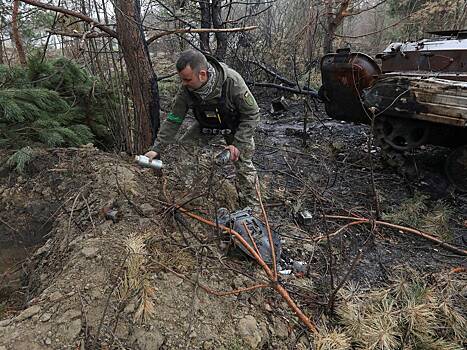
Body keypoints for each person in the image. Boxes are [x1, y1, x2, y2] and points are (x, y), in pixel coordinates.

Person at [145, 49, 261, 211]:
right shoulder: (186, 90)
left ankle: (253, 208)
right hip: (207, 124)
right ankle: (191, 192)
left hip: (236, 125)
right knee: (185, 147)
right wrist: (156, 149)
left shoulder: (232, 82)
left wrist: (238, 144)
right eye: (182, 79)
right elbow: (174, 119)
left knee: (243, 164)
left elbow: (252, 114)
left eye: (187, 79)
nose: (184, 83)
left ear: (202, 74)